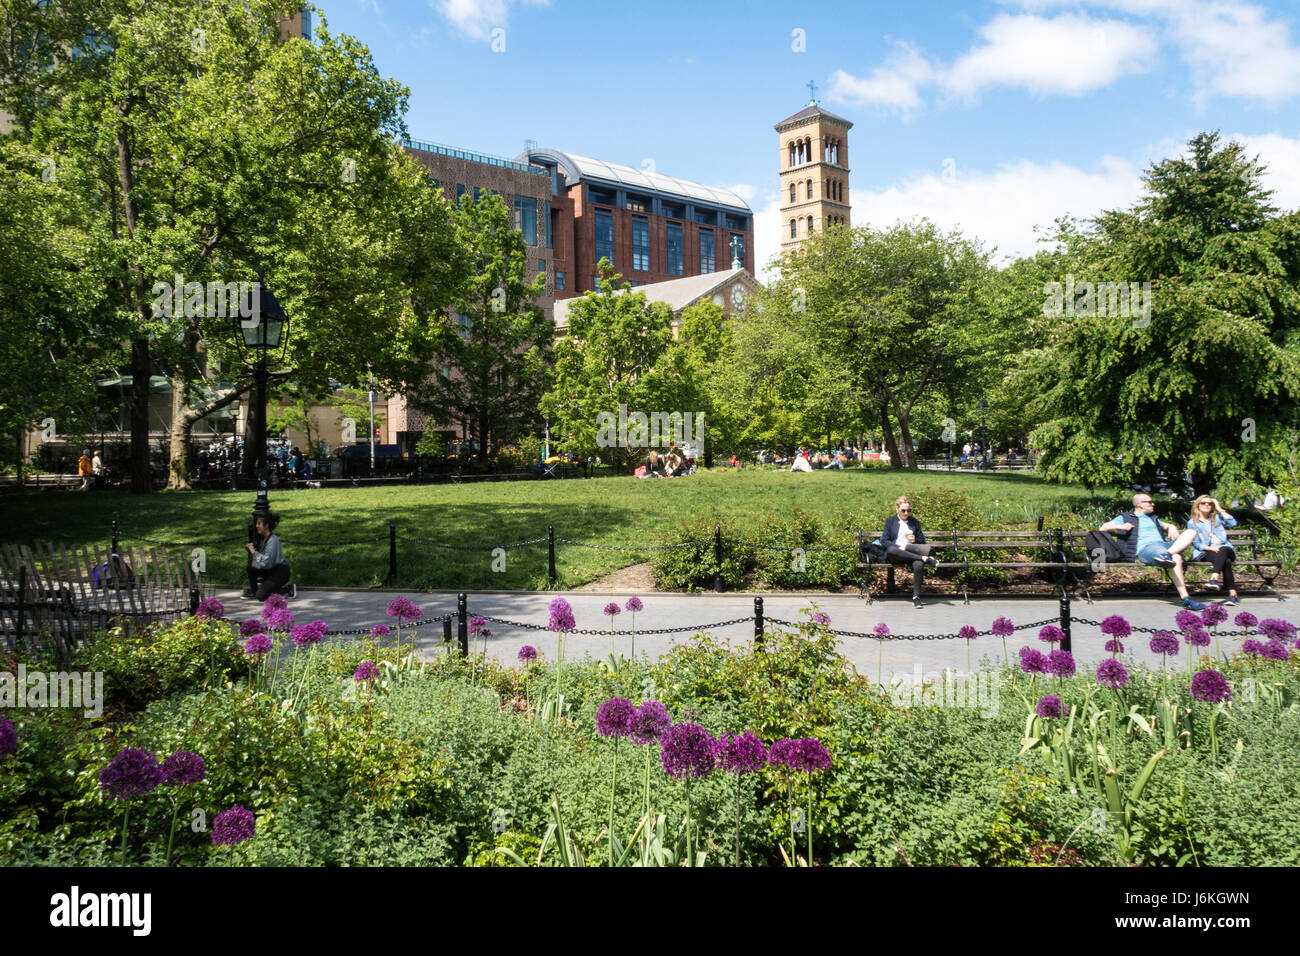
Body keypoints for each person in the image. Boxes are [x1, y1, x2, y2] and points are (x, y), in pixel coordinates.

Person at [1099, 493, 1205, 610]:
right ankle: (1186, 598)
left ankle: (1167, 555)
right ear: (1139, 504)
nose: (1153, 504)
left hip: (1164, 546)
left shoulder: (1153, 518)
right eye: (1149, 502)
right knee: (1177, 558)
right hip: (1146, 549)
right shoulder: (1125, 517)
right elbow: (1103, 527)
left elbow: (1166, 525)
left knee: (1191, 532)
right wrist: (1121, 527)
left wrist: (1171, 527)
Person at [881, 496, 940, 607]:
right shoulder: (890, 521)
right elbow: (884, 541)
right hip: (896, 554)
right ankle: (925, 558)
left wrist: (914, 540)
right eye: (903, 510)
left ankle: (916, 597)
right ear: (897, 509)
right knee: (891, 549)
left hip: (911, 554)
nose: (906, 513)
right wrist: (899, 546)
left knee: (918, 565)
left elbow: (922, 542)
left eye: (909, 510)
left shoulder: (914, 522)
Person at [1188, 495, 1239, 604]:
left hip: (1226, 549)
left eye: (1210, 503)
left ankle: (1214, 577)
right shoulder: (1193, 523)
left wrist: (1220, 509)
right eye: (1203, 503)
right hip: (1207, 551)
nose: (1207, 505)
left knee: (1224, 549)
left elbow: (1233, 523)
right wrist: (1210, 548)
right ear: (1197, 505)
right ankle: (1233, 595)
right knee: (1226, 561)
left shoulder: (1218, 518)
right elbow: (1197, 544)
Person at [244, 512, 292, 601]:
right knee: (250, 568)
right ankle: (255, 591)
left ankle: (287, 589)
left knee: (261, 596)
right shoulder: (264, 539)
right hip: (270, 570)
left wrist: (254, 552)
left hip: (280, 572)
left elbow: (266, 563)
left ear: (266, 525)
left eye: (259, 524)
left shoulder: (273, 540)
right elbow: (260, 562)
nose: (256, 526)